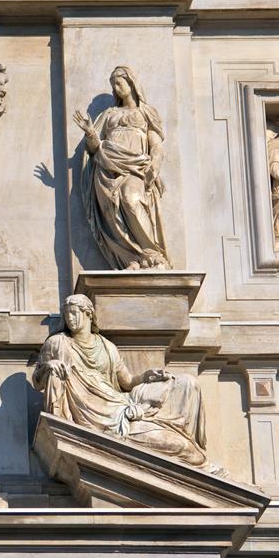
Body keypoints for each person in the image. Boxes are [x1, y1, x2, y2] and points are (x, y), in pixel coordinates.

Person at [33, 294, 220, 473]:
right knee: (181, 448)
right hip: (92, 413)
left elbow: (127, 382)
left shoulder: (107, 346)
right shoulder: (57, 343)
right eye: (66, 314)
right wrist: (49, 366)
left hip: (116, 401)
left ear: (88, 314)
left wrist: (146, 376)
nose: (70, 318)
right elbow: (37, 381)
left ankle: (187, 445)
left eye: (74, 313)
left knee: (187, 383)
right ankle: (192, 458)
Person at [73, 66, 170, 270]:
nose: (116, 88)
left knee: (131, 200)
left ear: (131, 83)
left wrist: (155, 162)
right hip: (106, 168)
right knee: (111, 210)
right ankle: (131, 258)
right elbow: (94, 148)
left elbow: (156, 145)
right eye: (113, 85)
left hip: (135, 165)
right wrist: (90, 133)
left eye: (119, 83)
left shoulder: (145, 112)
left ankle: (151, 252)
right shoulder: (109, 114)